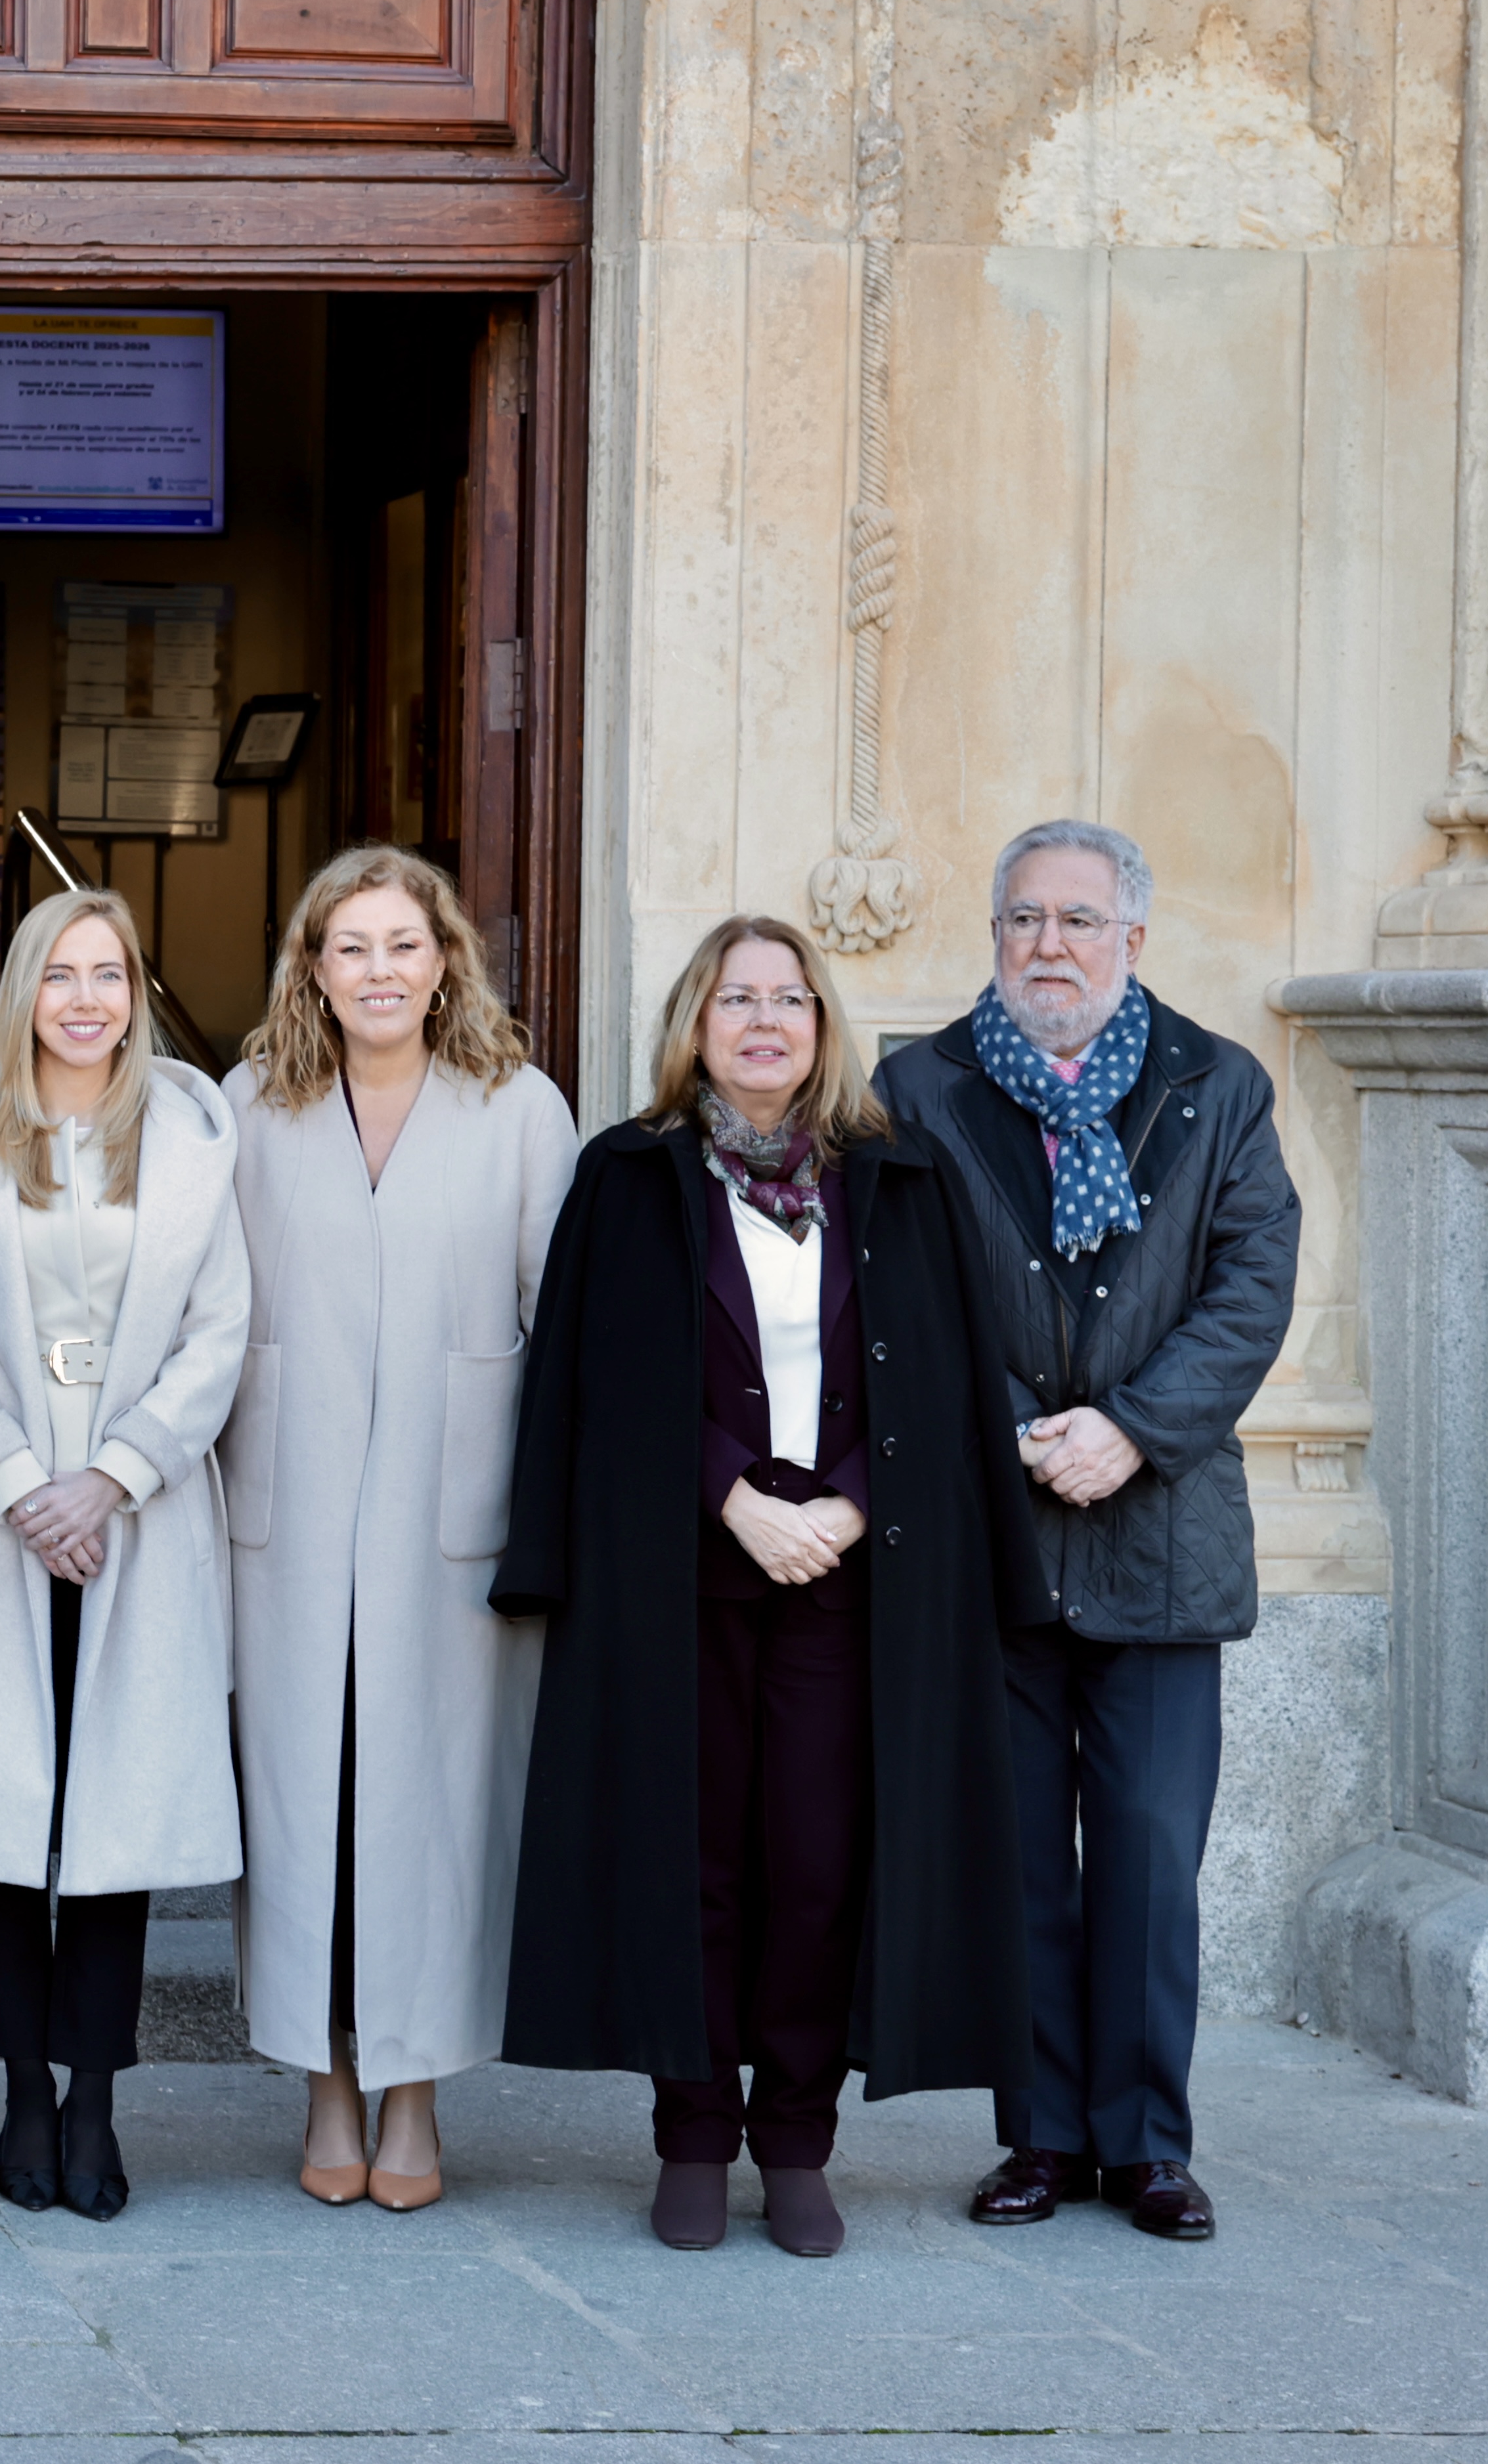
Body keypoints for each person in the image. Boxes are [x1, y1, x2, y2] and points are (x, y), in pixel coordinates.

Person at [496, 916, 1035, 2255]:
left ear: (820, 1025)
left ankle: (794, 2138)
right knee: (694, 1863)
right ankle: (692, 2132)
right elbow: (599, 1375)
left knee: (816, 1868)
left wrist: (845, 1504)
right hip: (680, 1572)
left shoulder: (898, 1176)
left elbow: (943, 1378)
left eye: (788, 999)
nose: (763, 1021)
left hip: (851, 1576)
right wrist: (732, 1495)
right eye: (734, 998)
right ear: (694, 1024)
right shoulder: (628, 1174)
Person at [877, 819, 1298, 2245]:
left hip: (1163, 1536)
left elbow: (1250, 1285)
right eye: (1022, 918)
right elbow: (899, 1291)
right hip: (992, 1541)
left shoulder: (1217, 1084)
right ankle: (1042, 2139)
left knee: (1146, 1858)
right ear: (994, 935)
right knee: (1016, 1869)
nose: (1045, 945)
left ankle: (1149, 2143)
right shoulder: (917, 1088)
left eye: (1075, 919)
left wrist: (1128, 1426)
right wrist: (1014, 1431)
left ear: (1132, 938)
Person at [0, 889, 248, 2222]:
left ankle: (96, 2098)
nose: (86, 999)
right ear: (22, 990)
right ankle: (23, 2086)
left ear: (135, 993)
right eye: (61, 974)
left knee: (113, 1826)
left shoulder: (192, 1138)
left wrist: (115, 1473)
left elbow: (219, 1331)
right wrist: (22, 1485)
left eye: (109, 974)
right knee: (5, 1820)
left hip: (138, 1511)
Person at [218, 844, 575, 2208]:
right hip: (286, 1512)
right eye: (350, 946)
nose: (378, 970)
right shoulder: (249, 1104)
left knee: (434, 1805)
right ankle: (324, 2082)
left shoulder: (518, 1106)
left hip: (453, 1516)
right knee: (302, 1802)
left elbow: (561, 1324)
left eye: (402, 945)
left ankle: (414, 2092)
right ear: (311, 966)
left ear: (444, 963)